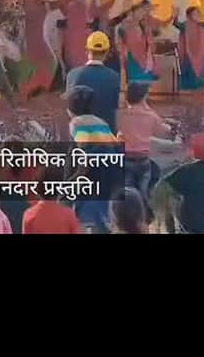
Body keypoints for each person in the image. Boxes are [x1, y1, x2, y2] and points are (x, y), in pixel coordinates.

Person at [67, 85, 121, 233]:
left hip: (92, 166)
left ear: (71, 109)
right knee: (102, 208)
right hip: (110, 167)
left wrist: (76, 175)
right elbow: (115, 143)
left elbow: (82, 147)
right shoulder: (101, 122)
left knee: (82, 207)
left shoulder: (75, 123)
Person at [153, 134, 204, 234]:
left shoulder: (186, 171)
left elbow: (161, 187)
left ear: (193, 151)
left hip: (191, 226)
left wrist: (170, 221)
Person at [117, 82, 176, 202]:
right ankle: (143, 208)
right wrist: (172, 126)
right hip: (142, 159)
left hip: (125, 158)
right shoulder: (150, 116)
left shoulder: (121, 115)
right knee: (143, 190)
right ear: (143, 97)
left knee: (127, 190)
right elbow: (166, 134)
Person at [66, 32, 121, 133]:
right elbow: (116, 108)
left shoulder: (72, 75)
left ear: (86, 50)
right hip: (106, 135)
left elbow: (70, 109)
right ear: (107, 52)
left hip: (80, 135)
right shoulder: (114, 77)